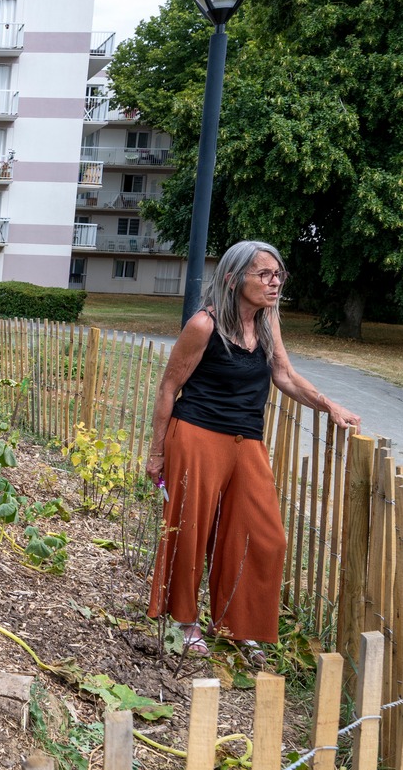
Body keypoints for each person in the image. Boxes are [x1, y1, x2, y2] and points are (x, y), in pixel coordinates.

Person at [146, 241, 361, 665]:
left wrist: (328, 403)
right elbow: (169, 386)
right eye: (263, 274)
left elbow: (285, 375)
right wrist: (157, 453)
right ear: (232, 278)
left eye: (278, 274)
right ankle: (183, 620)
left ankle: (235, 623)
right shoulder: (203, 326)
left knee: (264, 535)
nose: (275, 281)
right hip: (196, 434)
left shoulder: (266, 322)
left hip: (248, 440)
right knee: (191, 531)